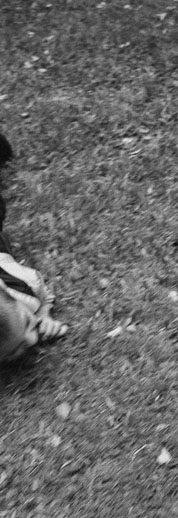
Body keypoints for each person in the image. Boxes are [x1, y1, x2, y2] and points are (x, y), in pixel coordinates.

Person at [0, 132, 68, 363]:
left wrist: (41, 312)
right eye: (12, 352)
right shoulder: (21, 300)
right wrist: (41, 315)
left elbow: (42, 291)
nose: (32, 340)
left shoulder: (23, 285)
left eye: (29, 324)